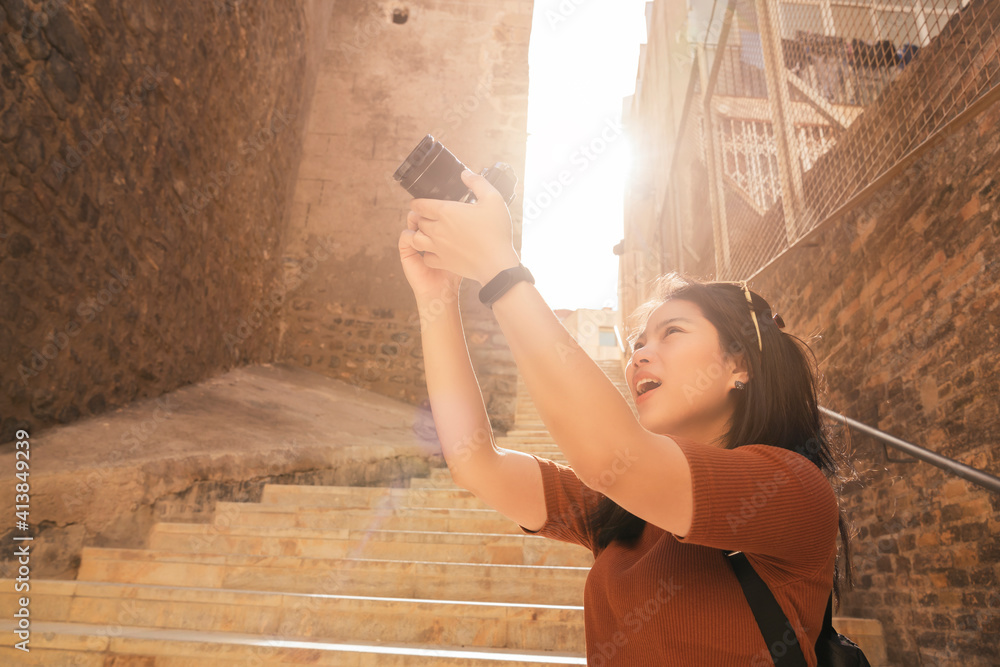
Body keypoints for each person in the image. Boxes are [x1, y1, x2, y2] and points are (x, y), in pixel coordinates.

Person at [398, 169, 856, 666]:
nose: (639, 356)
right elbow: (475, 463)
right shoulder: (623, 508)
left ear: (738, 364)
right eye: (638, 343)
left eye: (671, 333)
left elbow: (610, 453)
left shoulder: (790, 489)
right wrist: (436, 297)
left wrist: (498, 266)